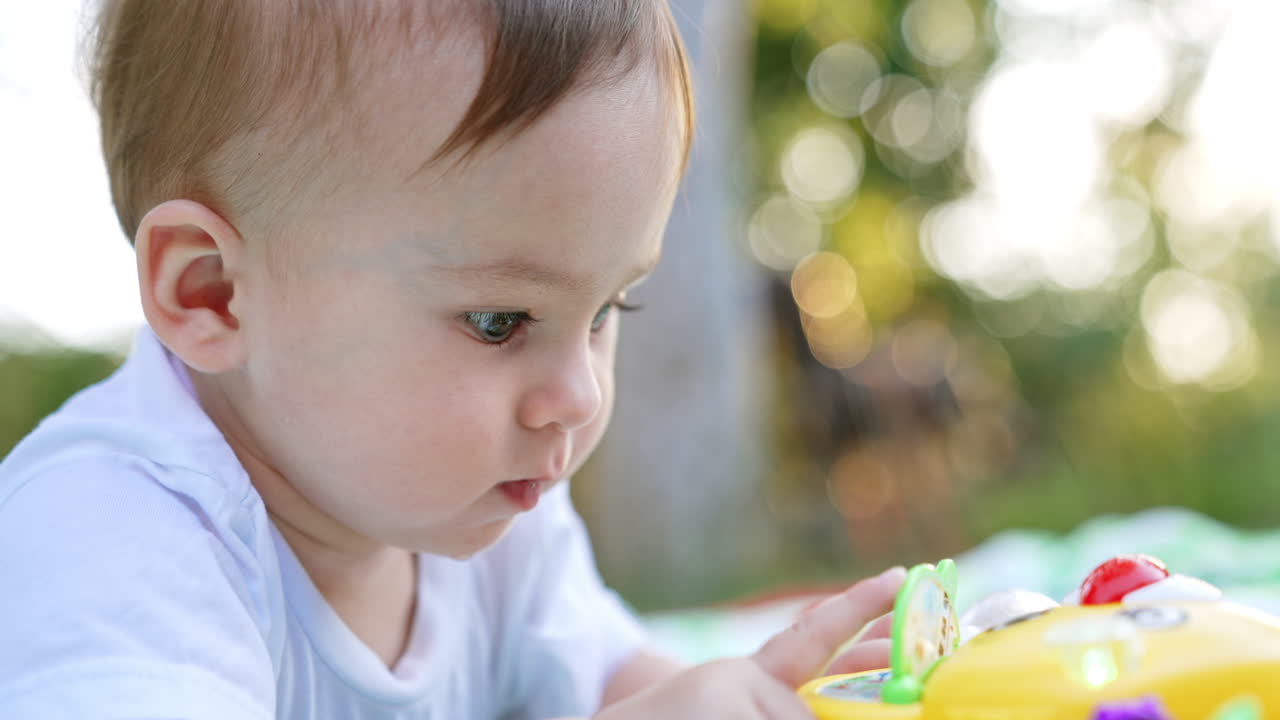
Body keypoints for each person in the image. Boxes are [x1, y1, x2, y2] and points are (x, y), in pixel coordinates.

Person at [0, 1, 903, 717]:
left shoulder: (489, 517)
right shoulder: (114, 539)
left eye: (607, 308)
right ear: (212, 293)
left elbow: (617, 683)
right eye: (500, 321)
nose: (577, 397)